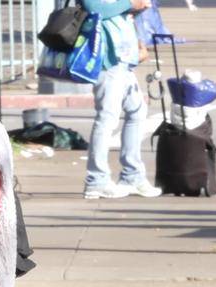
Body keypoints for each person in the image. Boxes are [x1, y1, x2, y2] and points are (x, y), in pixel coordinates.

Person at [82, 0, 163, 199]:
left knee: (137, 111)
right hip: (107, 59)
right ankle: (97, 179)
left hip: (123, 58)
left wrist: (136, 8)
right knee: (107, 118)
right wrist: (130, 3)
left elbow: (121, 12)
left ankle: (132, 175)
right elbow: (95, 8)